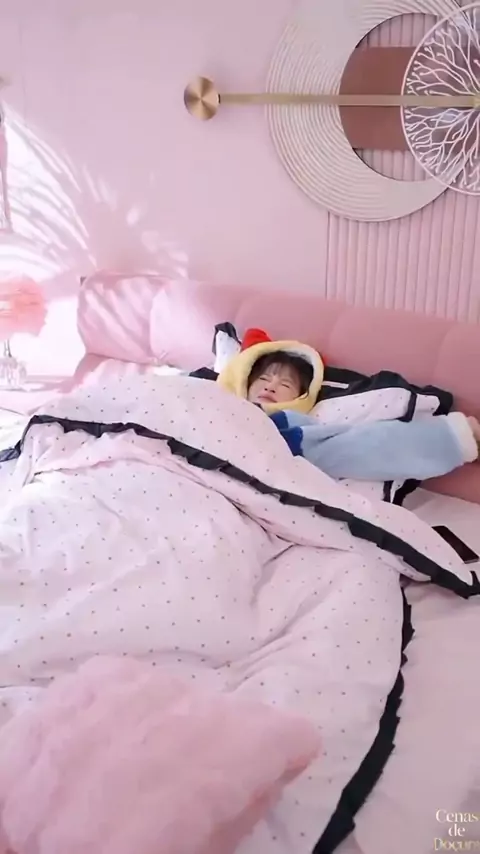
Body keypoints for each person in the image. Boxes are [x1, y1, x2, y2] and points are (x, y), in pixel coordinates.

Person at [216, 338, 480, 482]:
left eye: (285, 384)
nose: (271, 385)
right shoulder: (214, 400)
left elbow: (367, 446)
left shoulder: (292, 426)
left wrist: (455, 437)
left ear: (302, 397)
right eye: (263, 379)